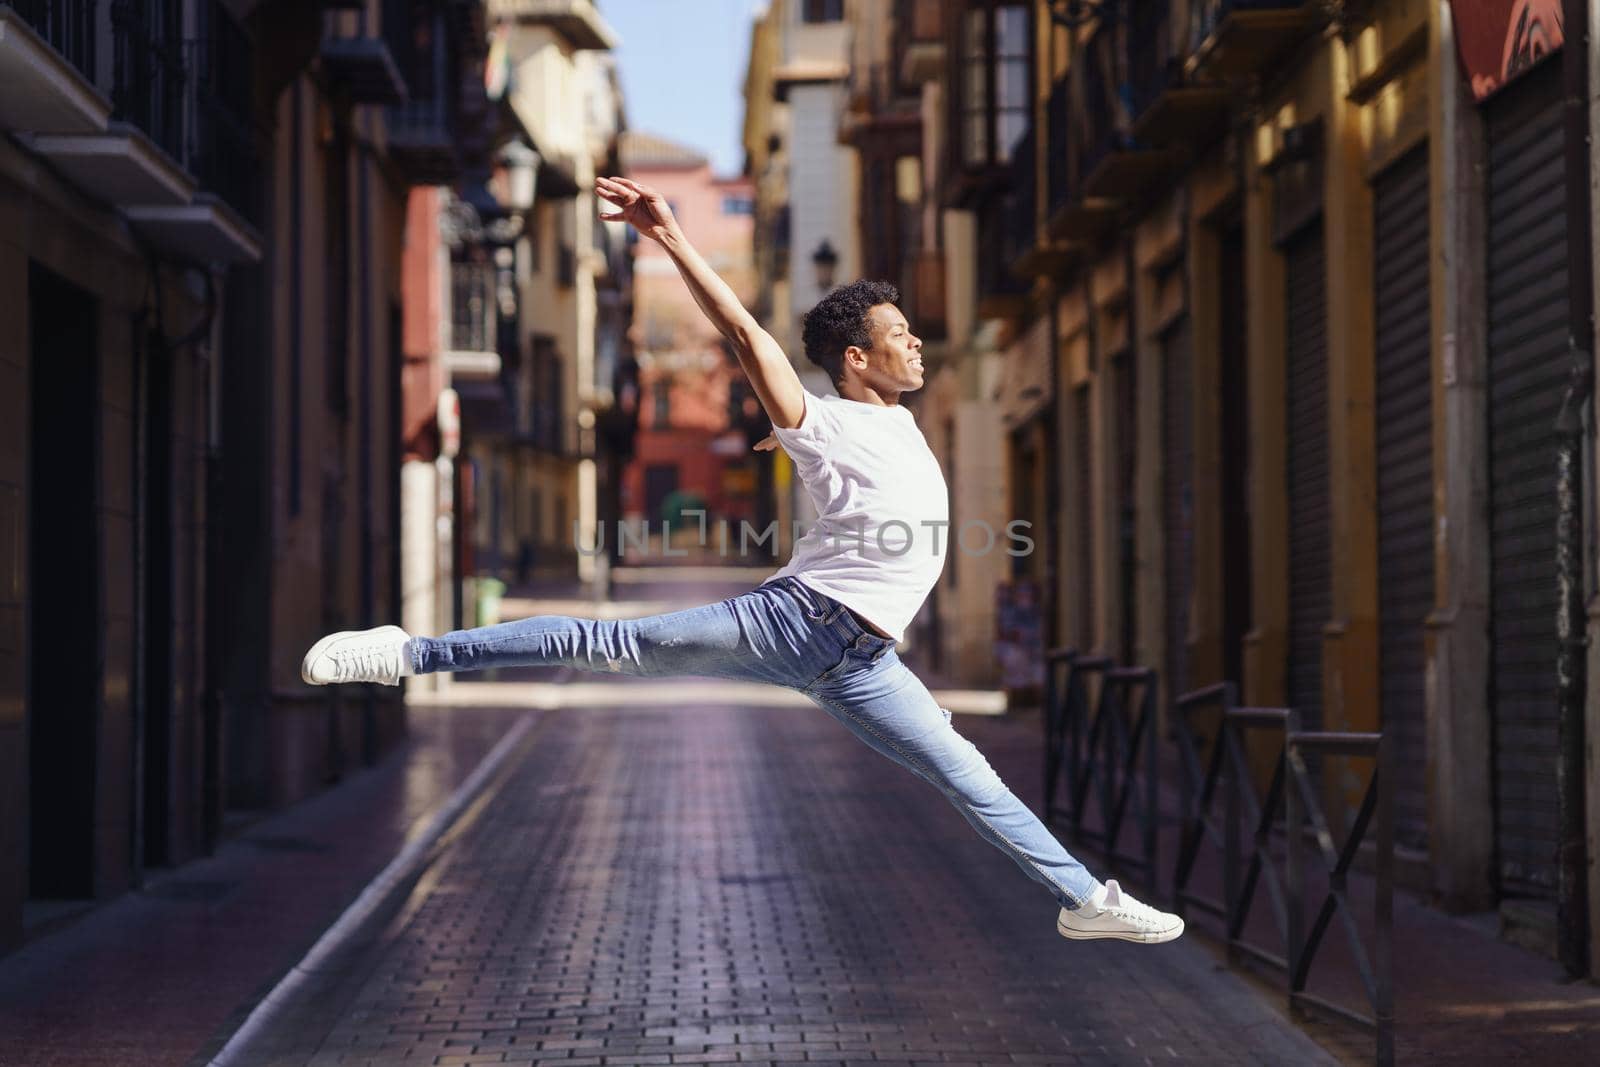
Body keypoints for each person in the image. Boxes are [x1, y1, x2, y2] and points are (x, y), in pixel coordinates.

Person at [302, 175, 1183, 945]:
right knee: (603, 646)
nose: (916, 343)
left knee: (970, 776)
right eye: (900, 333)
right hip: (795, 623)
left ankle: (1085, 899)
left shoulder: (891, 421)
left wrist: (785, 441)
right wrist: (670, 236)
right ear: (855, 356)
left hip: (867, 663)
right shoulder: (825, 419)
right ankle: (408, 652)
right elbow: (739, 330)